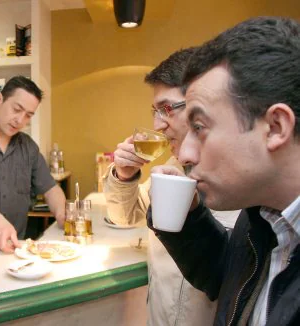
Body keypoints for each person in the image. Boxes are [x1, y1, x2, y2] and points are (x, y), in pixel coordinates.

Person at [149, 16, 300, 325]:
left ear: (275, 127)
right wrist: (189, 215)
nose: (187, 153)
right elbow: (227, 276)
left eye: (200, 127)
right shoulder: (260, 214)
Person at [103, 48, 239, 326]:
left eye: (166, 109)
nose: (157, 125)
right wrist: (124, 175)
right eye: (155, 111)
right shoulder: (172, 171)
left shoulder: (244, 182)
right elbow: (124, 217)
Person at [0, 76, 66, 252]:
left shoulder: (28, 148)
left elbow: (51, 188)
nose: (20, 120)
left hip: (14, 249)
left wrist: (62, 213)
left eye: (28, 116)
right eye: (17, 109)